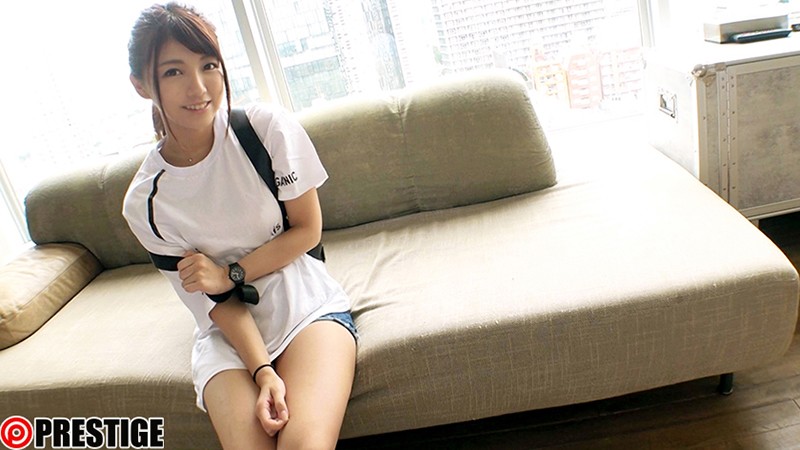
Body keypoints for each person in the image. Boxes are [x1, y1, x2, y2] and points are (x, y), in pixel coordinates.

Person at [122, 3, 357, 449]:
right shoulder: (147, 203)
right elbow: (213, 302)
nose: (198, 87)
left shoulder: (264, 130)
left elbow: (307, 230)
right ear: (141, 85)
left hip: (305, 305)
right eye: (173, 72)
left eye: (208, 65)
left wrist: (231, 273)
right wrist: (263, 370)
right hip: (227, 335)